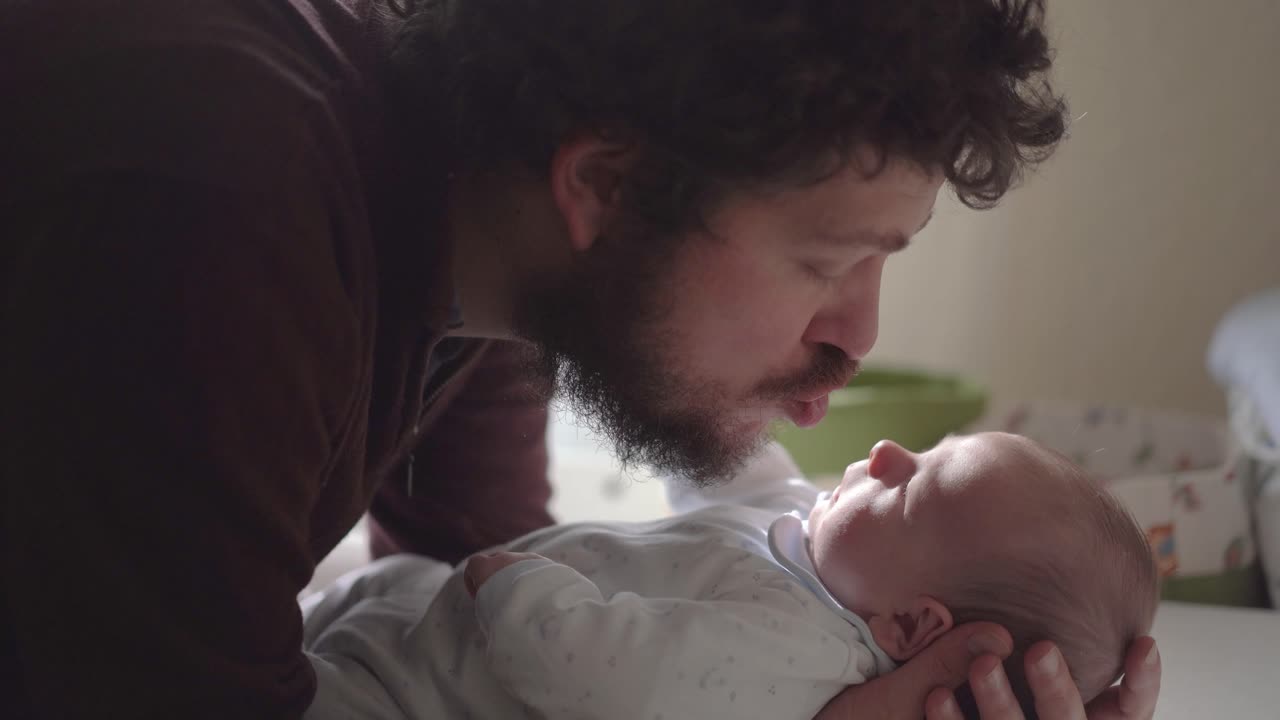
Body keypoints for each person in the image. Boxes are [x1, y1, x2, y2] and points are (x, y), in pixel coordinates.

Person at [0, 0, 1162, 717]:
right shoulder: (217, 223)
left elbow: (481, 606)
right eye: (828, 260)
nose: (855, 338)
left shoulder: (488, 259)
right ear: (605, 185)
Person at [299, 433, 1158, 719]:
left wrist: (515, 591)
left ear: (911, 628)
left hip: (418, 690)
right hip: (417, 611)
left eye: (912, 486)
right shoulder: (817, 538)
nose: (888, 451)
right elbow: (730, 451)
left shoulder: (788, 654)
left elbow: (605, 675)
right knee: (361, 594)